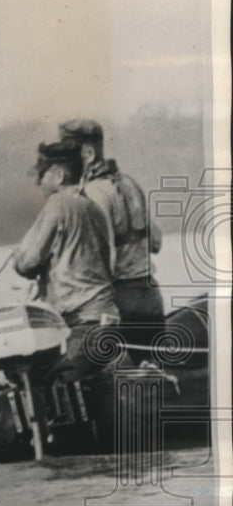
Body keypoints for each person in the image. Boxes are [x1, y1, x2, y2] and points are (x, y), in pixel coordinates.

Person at [13, 141, 120, 382]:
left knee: (54, 388)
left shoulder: (58, 204)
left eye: (42, 173)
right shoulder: (92, 207)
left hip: (85, 324)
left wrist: (17, 258)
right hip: (105, 320)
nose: (39, 181)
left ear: (59, 175)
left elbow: (28, 263)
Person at [58, 118, 165, 349]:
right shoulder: (130, 184)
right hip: (150, 297)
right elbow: (155, 242)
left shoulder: (90, 195)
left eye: (67, 156)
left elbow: (97, 263)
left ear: (86, 153)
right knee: (152, 375)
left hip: (120, 302)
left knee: (113, 377)